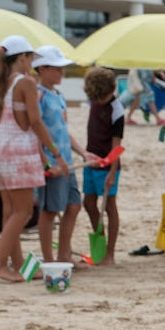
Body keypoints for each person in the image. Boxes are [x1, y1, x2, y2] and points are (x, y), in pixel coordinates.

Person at [0, 35, 67, 282]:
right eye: (30, 57)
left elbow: (9, 121)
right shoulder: (25, 83)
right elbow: (34, 121)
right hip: (19, 151)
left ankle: (19, 265)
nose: (31, 62)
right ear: (22, 57)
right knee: (22, 211)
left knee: (11, 212)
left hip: (1, 150)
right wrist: (55, 155)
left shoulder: (0, 83)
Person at [33, 46, 82, 267]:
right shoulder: (38, 95)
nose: (61, 73)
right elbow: (36, 131)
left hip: (67, 162)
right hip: (52, 163)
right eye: (57, 69)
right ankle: (49, 259)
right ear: (42, 68)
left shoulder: (58, 95)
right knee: (49, 211)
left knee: (73, 205)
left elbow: (63, 130)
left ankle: (64, 255)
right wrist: (45, 161)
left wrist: (82, 151)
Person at [82, 66, 123, 265]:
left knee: (110, 207)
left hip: (108, 165)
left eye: (101, 99)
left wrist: (112, 173)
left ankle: (110, 254)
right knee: (88, 203)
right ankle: (100, 243)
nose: (98, 102)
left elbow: (117, 145)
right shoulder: (94, 100)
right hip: (91, 161)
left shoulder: (117, 110)